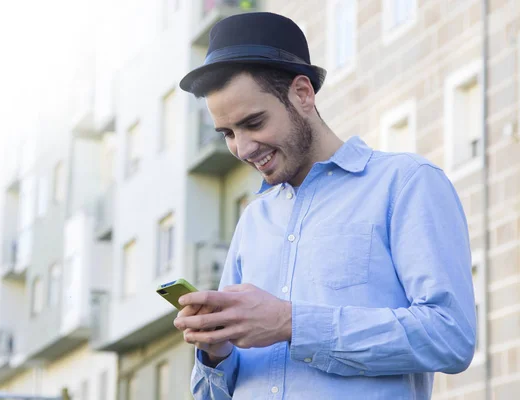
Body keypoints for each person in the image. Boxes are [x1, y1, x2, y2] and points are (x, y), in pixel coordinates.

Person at [174, 11, 476, 399]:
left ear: (303, 94)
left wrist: (291, 323)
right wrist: (216, 353)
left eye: (254, 122)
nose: (243, 148)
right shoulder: (253, 220)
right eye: (228, 133)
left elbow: (450, 336)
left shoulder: (405, 183)